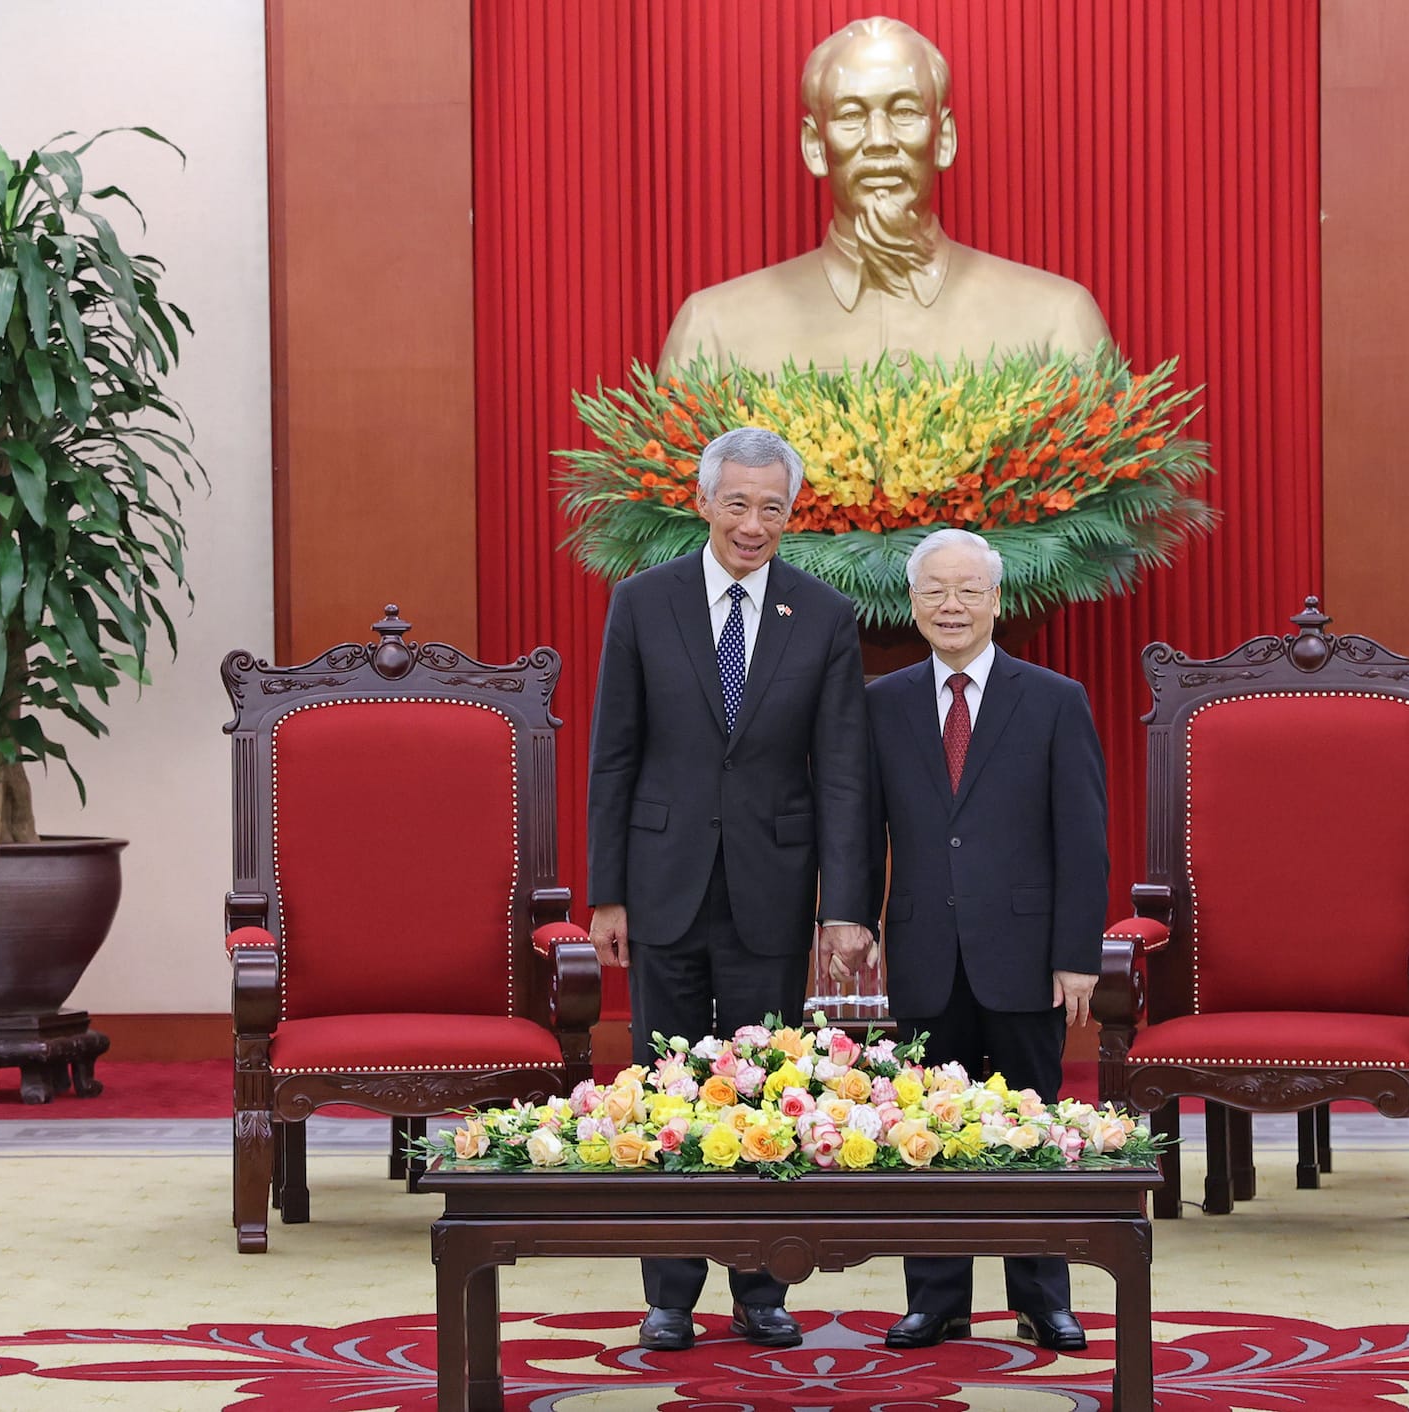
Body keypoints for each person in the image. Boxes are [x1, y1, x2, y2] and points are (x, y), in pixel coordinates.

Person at [585, 425, 874, 1352]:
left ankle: (759, 1285)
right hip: (661, 882)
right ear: (703, 502)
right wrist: (608, 894)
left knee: (764, 1088)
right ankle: (670, 1291)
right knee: (667, 1084)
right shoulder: (642, 603)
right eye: (737, 504)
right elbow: (614, 758)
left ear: (793, 514)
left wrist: (845, 907)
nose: (753, 525)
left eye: (773, 508)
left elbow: (842, 773)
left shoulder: (823, 616)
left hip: (773, 887)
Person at [842, 527, 1108, 1352]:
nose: (950, 605)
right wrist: (852, 921)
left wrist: (1075, 955)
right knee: (922, 1127)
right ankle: (937, 1299)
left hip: (1026, 956)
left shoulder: (1054, 698)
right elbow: (858, 829)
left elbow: (1083, 839)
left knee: (1031, 1127)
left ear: (997, 600)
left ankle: (1041, 1295)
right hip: (922, 951)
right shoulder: (880, 703)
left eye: (967, 590)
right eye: (934, 591)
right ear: (912, 605)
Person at [657, 16, 1111, 376]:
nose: (879, 140)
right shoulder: (712, 333)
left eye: (905, 111)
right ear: (815, 146)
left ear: (944, 137)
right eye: (851, 115)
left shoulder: (1058, 324)